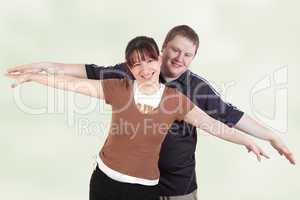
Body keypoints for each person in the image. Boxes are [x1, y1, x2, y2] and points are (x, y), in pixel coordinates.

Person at [6, 25, 295, 200]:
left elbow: (224, 119)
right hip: (133, 183)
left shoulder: (193, 89)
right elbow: (87, 74)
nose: (179, 59)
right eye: (174, 50)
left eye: (187, 54)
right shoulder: (130, 74)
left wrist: (268, 136)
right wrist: (46, 68)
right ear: (162, 49)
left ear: (193, 57)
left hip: (178, 185)